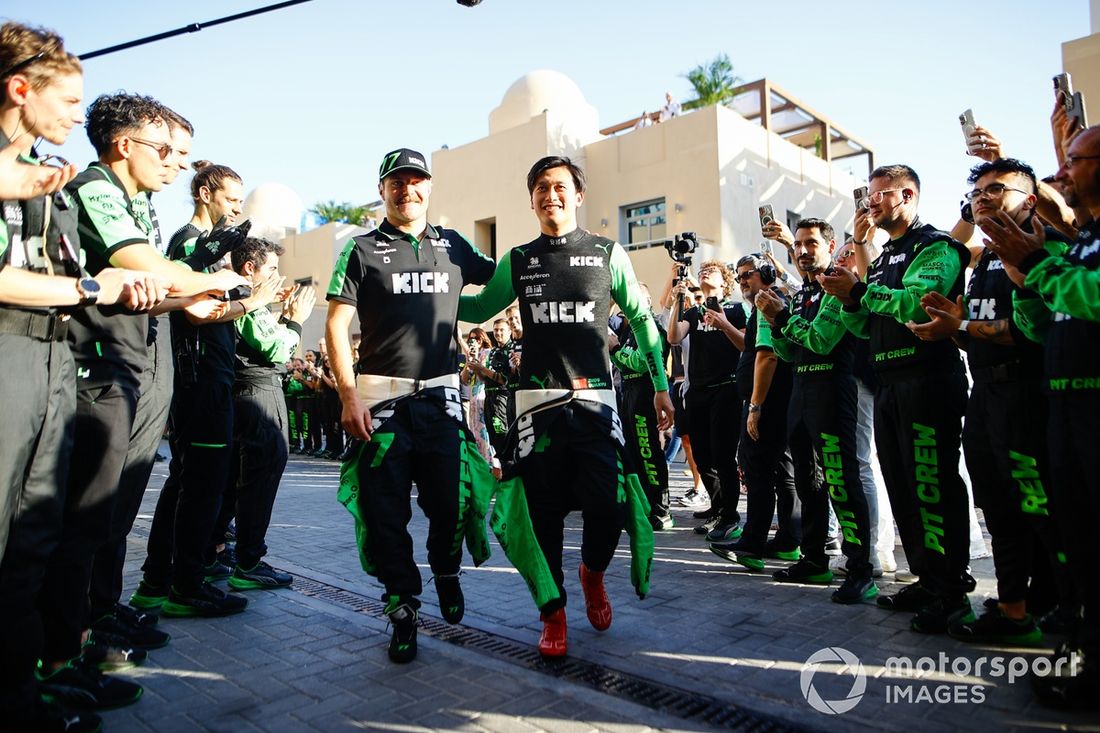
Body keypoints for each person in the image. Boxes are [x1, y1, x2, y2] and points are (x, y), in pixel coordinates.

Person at [0, 23, 165, 731]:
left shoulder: (49, 176)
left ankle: (24, 684)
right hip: (11, 350)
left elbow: (61, 272)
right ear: (19, 89)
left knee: (36, 533)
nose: (75, 115)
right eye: (65, 100)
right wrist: (95, 289)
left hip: (51, 360)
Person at [458, 155, 673, 658]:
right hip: (534, 410)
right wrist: (438, 293)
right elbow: (479, 307)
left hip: (597, 403)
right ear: (530, 198)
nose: (550, 195)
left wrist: (660, 383)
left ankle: (592, 574)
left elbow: (642, 320)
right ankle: (553, 613)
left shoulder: (607, 253)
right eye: (540, 188)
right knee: (544, 518)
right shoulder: (519, 259)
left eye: (560, 187)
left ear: (578, 196)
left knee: (610, 505)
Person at [326, 148, 496, 663]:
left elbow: (498, 283)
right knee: (385, 515)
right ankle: (402, 608)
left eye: (417, 180)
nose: (408, 190)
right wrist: (348, 394)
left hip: (442, 401)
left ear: (429, 186)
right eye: (397, 182)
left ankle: (446, 569)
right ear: (382, 190)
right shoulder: (358, 249)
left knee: (449, 505)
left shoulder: (454, 245)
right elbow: (336, 325)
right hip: (381, 404)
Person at [820, 164, 974, 633]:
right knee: (904, 489)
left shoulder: (938, 247)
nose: (870, 204)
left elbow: (919, 304)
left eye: (879, 195)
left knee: (932, 486)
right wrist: (848, 301)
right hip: (888, 382)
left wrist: (861, 292)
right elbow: (865, 325)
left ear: (907, 195)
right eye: (868, 196)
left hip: (928, 381)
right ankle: (928, 580)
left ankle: (951, 591)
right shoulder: (884, 254)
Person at [985, 126, 1100, 708]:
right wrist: (1027, 282)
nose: (1064, 174)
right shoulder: (1082, 240)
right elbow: (1039, 323)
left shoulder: (1073, 245)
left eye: (1074, 162)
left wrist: (1037, 266)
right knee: (1079, 542)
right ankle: (1083, 652)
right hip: (1064, 406)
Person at [134, 160, 261, 619]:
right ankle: (184, 585)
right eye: (230, 199)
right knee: (201, 485)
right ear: (205, 194)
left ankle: (159, 580)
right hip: (201, 380)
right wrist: (253, 301)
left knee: (190, 483)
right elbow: (196, 313)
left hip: (209, 378)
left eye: (240, 201)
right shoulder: (190, 244)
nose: (236, 210)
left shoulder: (206, 249)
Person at [753, 220, 876, 603]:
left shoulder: (837, 285)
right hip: (802, 395)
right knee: (808, 483)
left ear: (831, 246)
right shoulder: (803, 292)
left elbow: (822, 341)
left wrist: (782, 318)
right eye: (800, 245)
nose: (804, 251)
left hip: (833, 393)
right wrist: (775, 322)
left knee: (841, 482)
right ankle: (814, 559)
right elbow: (789, 352)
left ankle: (860, 569)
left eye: (811, 244)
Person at [225, 237, 316, 589]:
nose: (279, 278)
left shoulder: (248, 300)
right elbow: (276, 348)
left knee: (240, 474)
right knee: (260, 474)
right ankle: (248, 561)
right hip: (256, 391)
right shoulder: (245, 300)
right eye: (273, 269)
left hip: (246, 391)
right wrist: (294, 321)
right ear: (250, 269)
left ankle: (224, 548)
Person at [667, 261, 746, 539]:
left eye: (710, 272)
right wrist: (678, 299)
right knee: (702, 457)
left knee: (723, 456)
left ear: (725, 282)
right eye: (701, 272)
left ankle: (730, 515)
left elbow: (745, 345)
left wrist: (723, 323)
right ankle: (717, 508)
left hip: (727, 388)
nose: (703, 273)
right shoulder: (693, 311)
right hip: (697, 392)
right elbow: (674, 336)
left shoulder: (737, 308)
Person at [610, 283, 672, 530]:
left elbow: (639, 362)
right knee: (633, 452)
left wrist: (615, 349)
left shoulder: (652, 326)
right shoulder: (628, 329)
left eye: (637, 296)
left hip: (647, 392)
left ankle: (661, 508)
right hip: (628, 393)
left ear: (647, 301)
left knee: (648, 451)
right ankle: (643, 504)